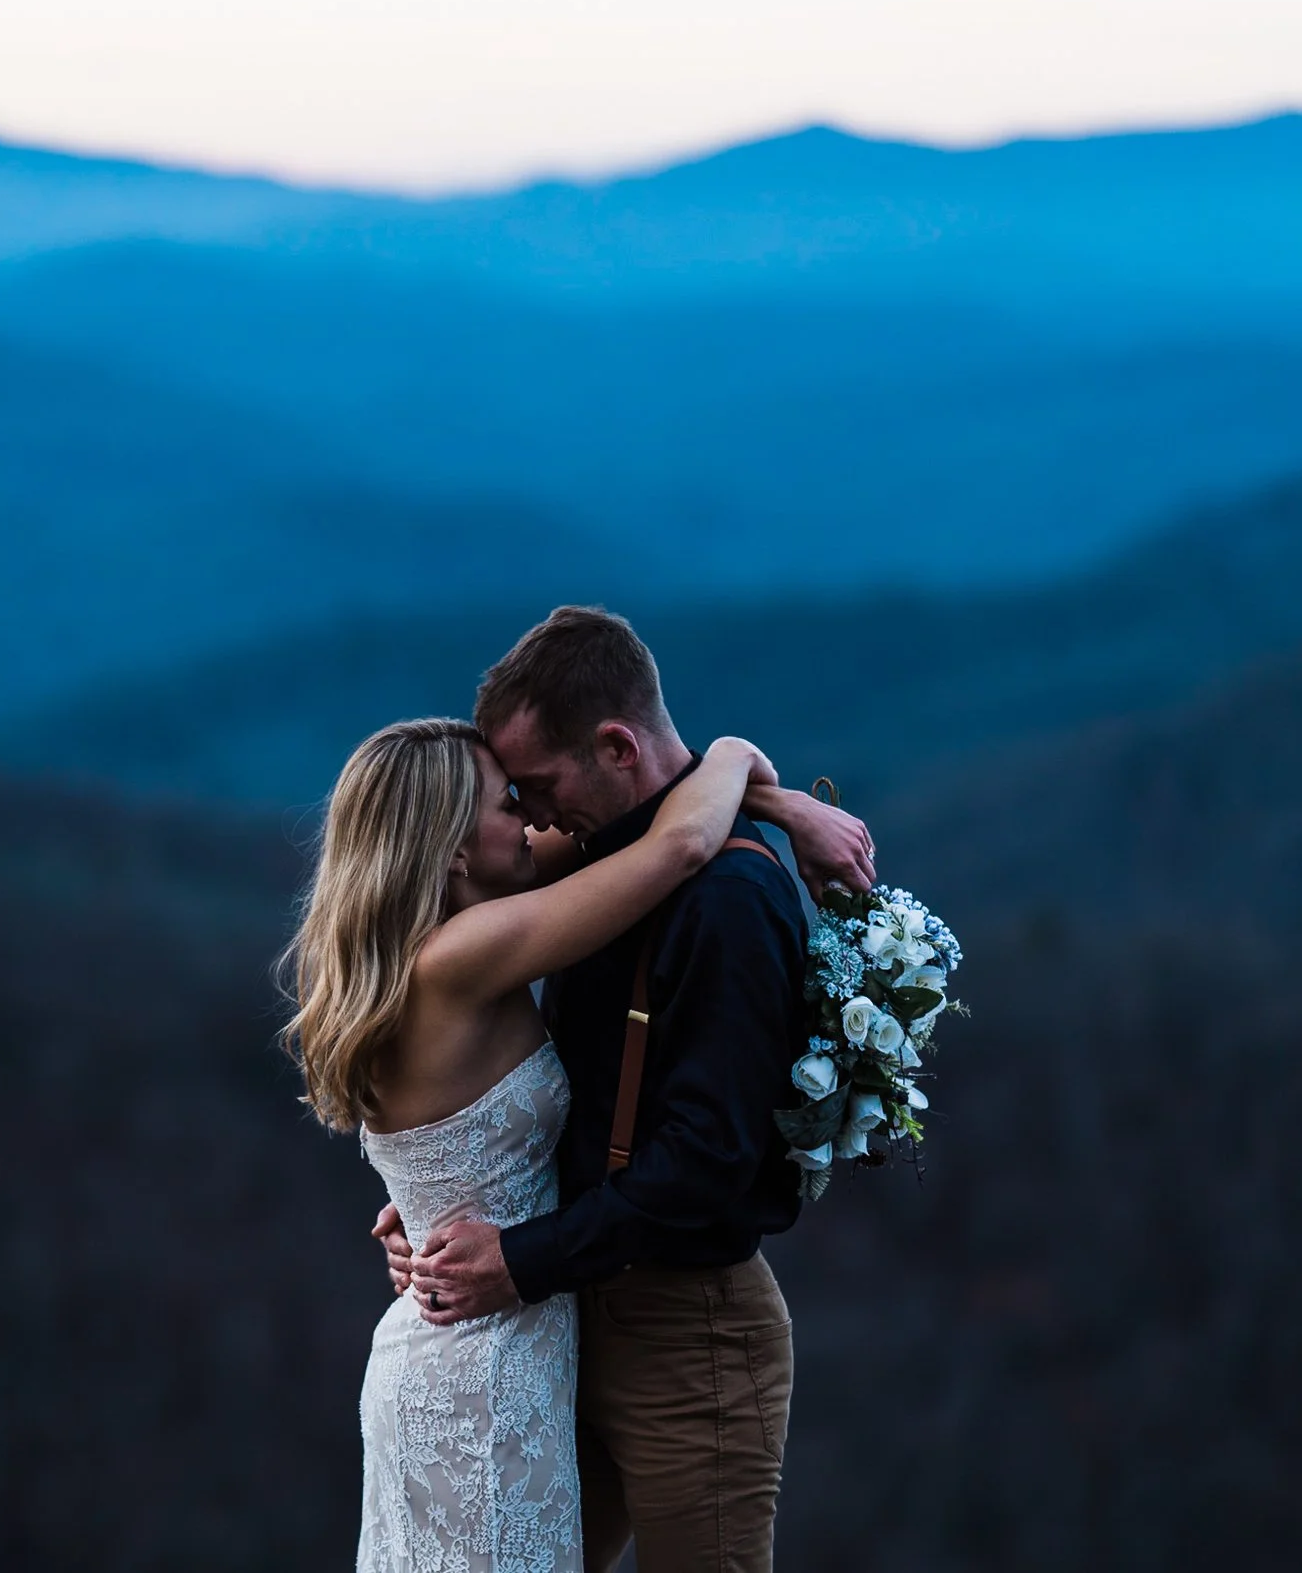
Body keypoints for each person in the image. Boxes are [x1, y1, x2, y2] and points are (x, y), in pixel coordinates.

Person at [291, 607, 874, 1573]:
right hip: (526, 1329)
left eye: (535, 788)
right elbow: (672, 839)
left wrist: (468, 1217)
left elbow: (706, 1159)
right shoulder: (502, 921)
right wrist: (749, 765)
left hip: (654, 1328)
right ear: (447, 848)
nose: (532, 816)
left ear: (612, 745)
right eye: (507, 800)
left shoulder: (697, 898)